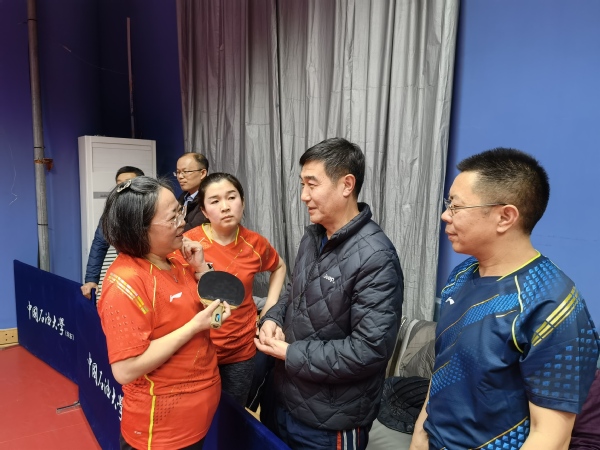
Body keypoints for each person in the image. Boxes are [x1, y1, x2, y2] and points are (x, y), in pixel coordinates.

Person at [411, 148, 600, 450]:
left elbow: (551, 436)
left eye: (456, 207)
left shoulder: (553, 304)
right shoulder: (461, 275)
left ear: (505, 217)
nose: (446, 215)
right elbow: (443, 370)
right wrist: (420, 438)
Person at [255, 138, 404, 450]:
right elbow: (294, 293)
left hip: (329, 419)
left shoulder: (376, 256)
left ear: (346, 184)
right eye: (302, 184)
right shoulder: (313, 236)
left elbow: (369, 350)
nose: (303, 196)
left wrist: (289, 353)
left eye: (312, 184)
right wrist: (272, 318)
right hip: (283, 400)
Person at [97, 176, 231, 450]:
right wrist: (194, 326)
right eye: (173, 218)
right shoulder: (125, 282)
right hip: (161, 430)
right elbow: (125, 370)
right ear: (140, 229)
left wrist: (201, 268)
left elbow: (217, 317)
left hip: (197, 415)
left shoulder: (178, 259)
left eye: (181, 211)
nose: (183, 222)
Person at [172, 172, 287, 406]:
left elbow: (279, 267)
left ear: (242, 202)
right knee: (202, 414)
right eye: (215, 201)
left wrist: (269, 309)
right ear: (204, 211)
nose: (225, 207)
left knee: (233, 414)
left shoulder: (255, 244)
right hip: (197, 350)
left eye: (231, 197)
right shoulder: (186, 245)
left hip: (240, 351)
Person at [81, 166, 144, 299]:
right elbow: (99, 244)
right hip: (127, 272)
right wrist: (91, 279)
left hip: (155, 270)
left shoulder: (155, 205)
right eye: (119, 184)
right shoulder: (112, 210)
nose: (122, 188)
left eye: (127, 183)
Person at [175, 152, 209, 231]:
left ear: (202, 173)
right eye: (178, 172)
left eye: (186, 172)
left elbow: (194, 229)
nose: (180, 176)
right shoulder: (183, 197)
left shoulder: (208, 199)